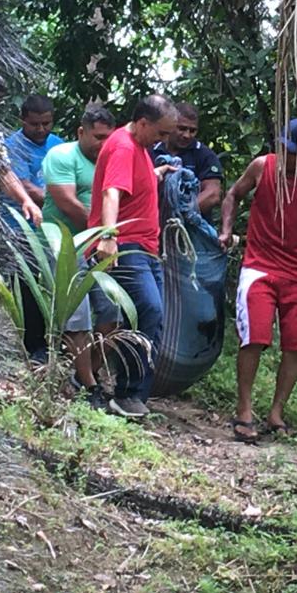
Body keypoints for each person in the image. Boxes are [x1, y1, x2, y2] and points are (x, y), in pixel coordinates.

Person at [218, 118, 297, 443]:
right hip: (259, 266)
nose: (289, 156)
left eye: (295, 152)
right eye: (286, 149)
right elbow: (233, 195)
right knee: (253, 338)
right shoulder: (262, 166)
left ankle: (276, 412)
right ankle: (244, 410)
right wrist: (226, 230)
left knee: (296, 346)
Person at [89, 94, 178, 418]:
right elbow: (111, 192)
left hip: (146, 248)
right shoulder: (124, 147)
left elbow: (131, 186)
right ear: (142, 123)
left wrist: (155, 174)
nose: (163, 140)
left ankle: (133, 394)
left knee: (151, 318)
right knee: (147, 310)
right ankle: (126, 393)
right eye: (161, 133)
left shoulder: (138, 148)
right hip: (128, 244)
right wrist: (108, 236)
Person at [42, 104, 120, 409]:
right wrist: (105, 233)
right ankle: (89, 385)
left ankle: (86, 374)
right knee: (78, 316)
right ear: (81, 132)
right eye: (98, 137)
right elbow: (67, 203)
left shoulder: (112, 161)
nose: (103, 144)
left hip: (100, 245)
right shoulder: (62, 155)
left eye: (108, 138)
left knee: (113, 312)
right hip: (64, 243)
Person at [4, 94, 64, 361]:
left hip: (52, 226)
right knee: (26, 284)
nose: (41, 129)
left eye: (46, 123)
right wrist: (64, 202)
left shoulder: (58, 145)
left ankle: (61, 340)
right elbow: (25, 186)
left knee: (57, 282)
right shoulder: (12, 147)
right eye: (34, 124)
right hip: (19, 227)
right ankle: (35, 346)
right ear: (22, 121)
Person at [150, 102, 223, 217]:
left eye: (192, 131)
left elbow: (213, 194)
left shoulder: (205, 155)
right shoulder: (151, 150)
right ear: (170, 125)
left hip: (191, 224)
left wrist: (182, 213)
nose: (187, 135)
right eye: (182, 129)